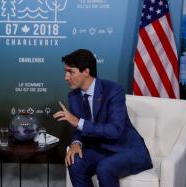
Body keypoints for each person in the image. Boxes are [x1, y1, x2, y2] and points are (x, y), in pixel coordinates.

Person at [53, 49, 152, 187]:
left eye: (71, 72)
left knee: (105, 168)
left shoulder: (114, 90)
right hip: (100, 150)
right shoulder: (74, 96)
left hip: (127, 150)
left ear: (86, 72)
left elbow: (114, 130)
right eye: (65, 71)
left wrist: (77, 121)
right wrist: (76, 142)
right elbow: (78, 128)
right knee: (75, 162)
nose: (66, 77)